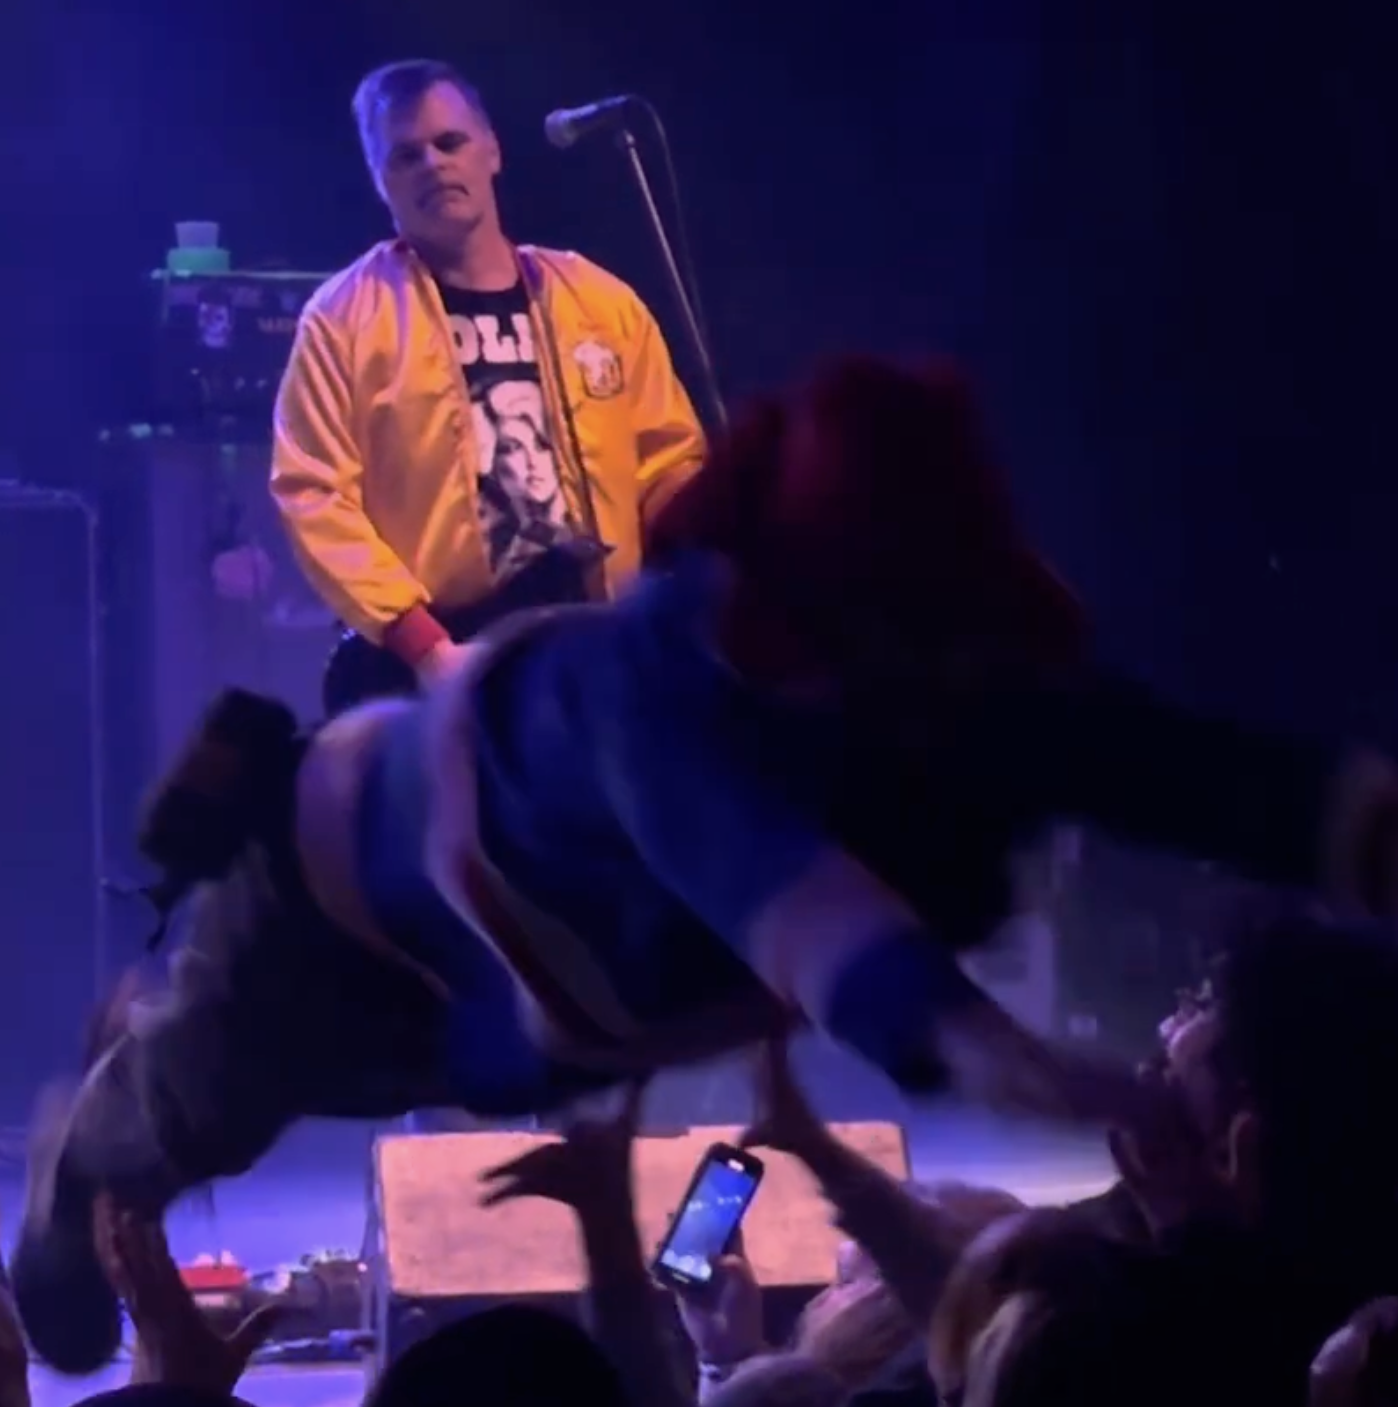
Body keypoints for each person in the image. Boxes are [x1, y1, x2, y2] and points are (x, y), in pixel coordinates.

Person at [15, 359, 1398, 1379]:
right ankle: (80, 1156)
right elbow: (794, 903)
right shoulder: (650, 696)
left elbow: (1177, 764)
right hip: (325, 914)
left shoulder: (941, 666)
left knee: (398, 1080)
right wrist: (1052, 1072)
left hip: (526, 992)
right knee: (196, 1113)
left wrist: (1363, 832)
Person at [272, 58, 705, 710]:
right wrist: (426, 647)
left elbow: (669, 461)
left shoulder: (600, 301)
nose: (433, 164)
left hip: (593, 652)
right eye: (406, 156)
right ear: (379, 180)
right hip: (442, 664)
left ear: (492, 151)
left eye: (450, 142)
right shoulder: (343, 320)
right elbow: (313, 492)